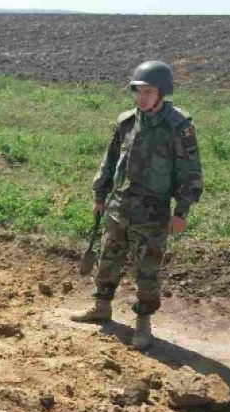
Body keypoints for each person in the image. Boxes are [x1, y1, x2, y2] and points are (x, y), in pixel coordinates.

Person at [70, 60, 203, 349]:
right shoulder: (127, 122)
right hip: (120, 206)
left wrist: (181, 211)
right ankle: (101, 306)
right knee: (108, 260)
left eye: (148, 92)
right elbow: (110, 160)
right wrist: (99, 195)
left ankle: (143, 324)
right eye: (138, 92)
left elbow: (190, 172)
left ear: (162, 93)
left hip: (153, 213)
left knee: (147, 270)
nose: (141, 98)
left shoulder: (178, 126)